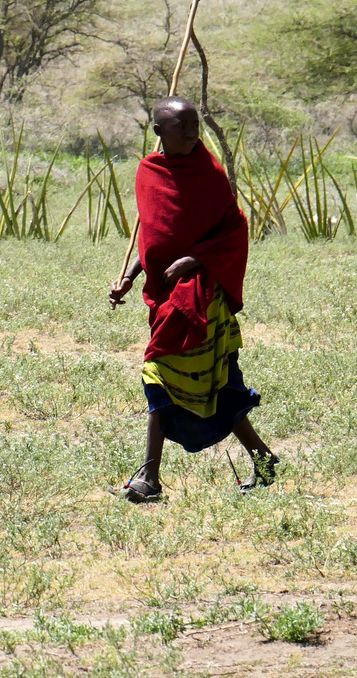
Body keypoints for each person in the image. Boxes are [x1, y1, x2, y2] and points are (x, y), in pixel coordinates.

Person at [106, 97, 278, 503]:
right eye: (180, 126)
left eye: (193, 125)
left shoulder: (209, 172)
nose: (190, 133)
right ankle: (263, 460)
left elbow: (234, 231)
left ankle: (150, 479)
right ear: (159, 131)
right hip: (164, 299)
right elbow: (154, 237)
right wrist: (130, 277)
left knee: (177, 377)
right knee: (191, 383)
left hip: (202, 296)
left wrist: (194, 259)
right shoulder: (149, 172)